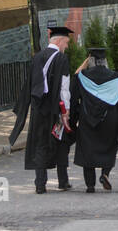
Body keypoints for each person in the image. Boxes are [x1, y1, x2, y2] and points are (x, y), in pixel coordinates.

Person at [9, 24, 74, 194]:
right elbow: (64, 87)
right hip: (56, 110)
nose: (66, 47)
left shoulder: (36, 57)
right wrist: (66, 111)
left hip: (39, 110)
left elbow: (30, 84)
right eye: (66, 43)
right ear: (59, 41)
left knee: (40, 144)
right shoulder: (61, 59)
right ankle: (63, 181)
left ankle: (40, 184)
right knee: (60, 142)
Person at [70, 46, 118, 193]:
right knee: (109, 146)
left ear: (91, 61)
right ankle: (105, 174)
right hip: (109, 119)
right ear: (104, 61)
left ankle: (90, 185)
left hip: (88, 119)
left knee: (87, 149)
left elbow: (73, 97)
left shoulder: (82, 77)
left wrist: (74, 117)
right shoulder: (115, 77)